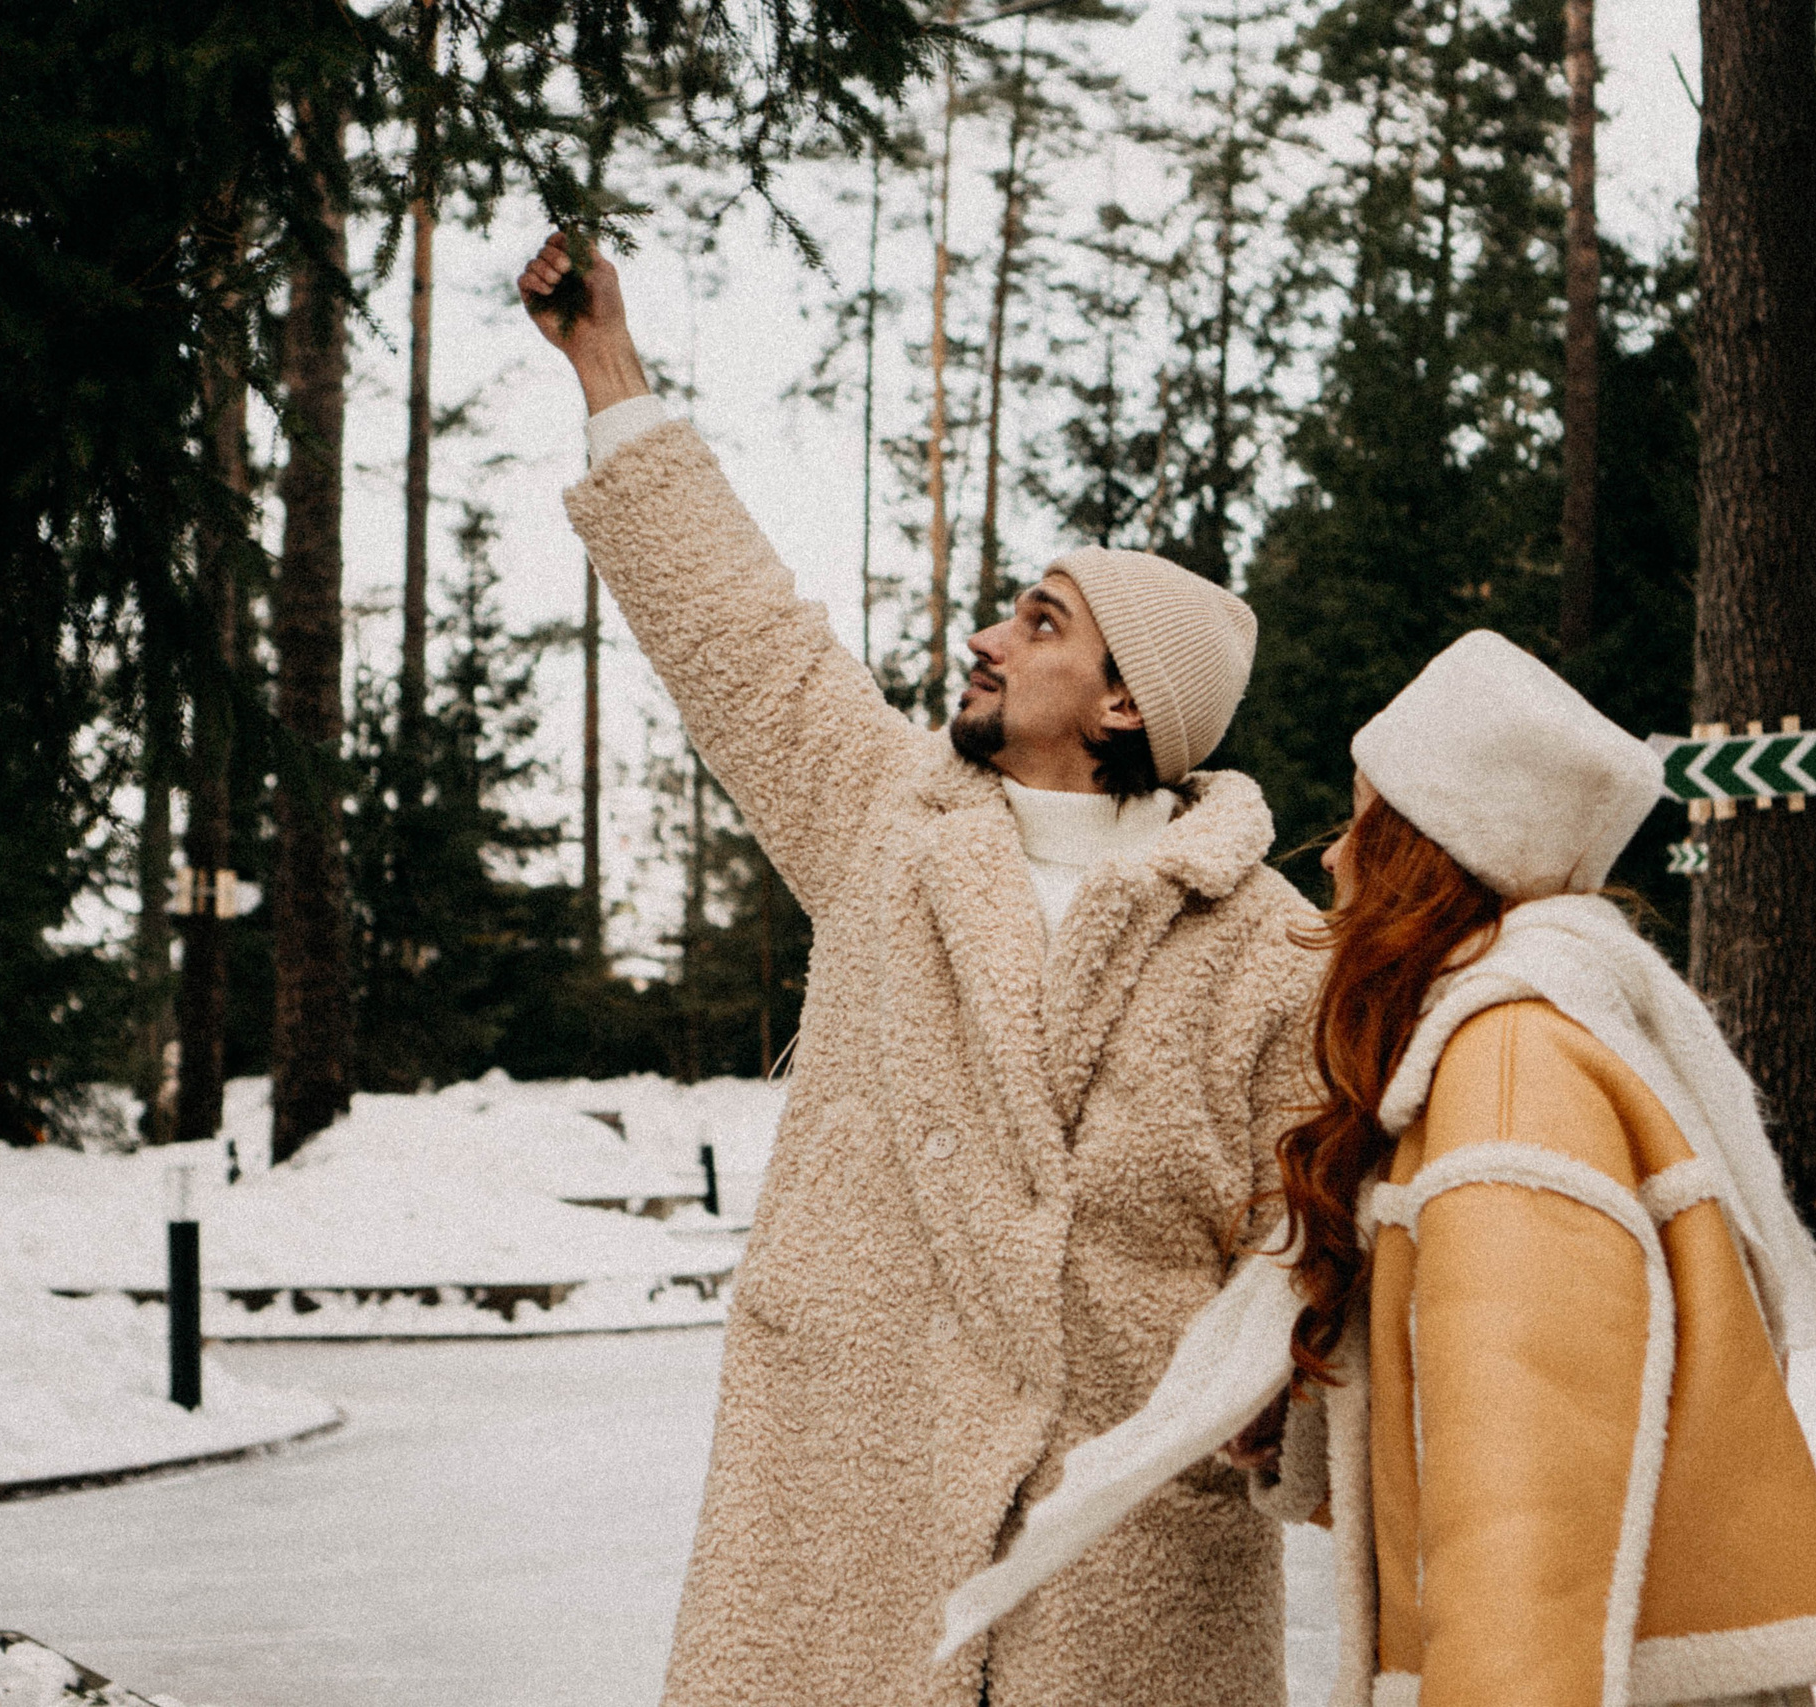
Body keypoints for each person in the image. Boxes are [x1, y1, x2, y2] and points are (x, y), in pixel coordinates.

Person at [517, 234, 1323, 1707]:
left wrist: (1260, 1412)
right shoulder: (888, 827)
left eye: (1039, 620)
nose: (984, 636)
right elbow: (747, 643)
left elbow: (1304, 1249)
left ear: (1132, 699)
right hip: (853, 1512)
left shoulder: (1266, 948)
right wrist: (607, 371)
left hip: (1118, 1568)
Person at [938, 631, 1816, 1707]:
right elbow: (1486, 1433)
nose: (1334, 857)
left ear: (1429, 849)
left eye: (1361, 821)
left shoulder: (1509, 1075)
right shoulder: (1533, 1035)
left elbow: (1522, 1519)